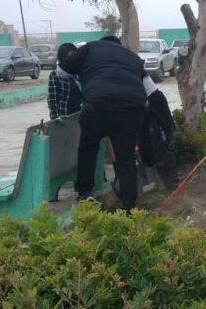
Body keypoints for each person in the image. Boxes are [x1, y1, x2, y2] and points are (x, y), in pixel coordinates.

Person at [56, 38, 147, 210]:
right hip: (132, 107)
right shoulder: (131, 56)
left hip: (99, 102)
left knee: (88, 147)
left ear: (103, 41)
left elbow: (61, 71)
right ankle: (129, 203)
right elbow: (148, 88)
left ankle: (85, 192)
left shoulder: (91, 47)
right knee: (125, 156)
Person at [140, 76, 178, 190]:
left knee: (160, 144)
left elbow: (144, 102)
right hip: (141, 106)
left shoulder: (131, 64)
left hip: (153, 103)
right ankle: (159, 180)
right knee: (146, 148)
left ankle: (173, 185)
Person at [47, 43, 82, 120]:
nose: (72, 60)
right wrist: (55, 118)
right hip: (65, 118)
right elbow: (53, 100)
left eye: (74, 56)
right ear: (62, 58)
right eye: (70, 57)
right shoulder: (56, 75)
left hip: (81, 116)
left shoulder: (79, 73)